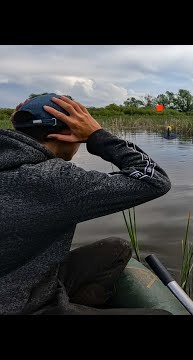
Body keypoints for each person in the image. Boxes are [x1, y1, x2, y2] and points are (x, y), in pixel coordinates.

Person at [0, 93, 172, 315]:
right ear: (67, 133)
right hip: (20, 306)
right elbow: (155, 180)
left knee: (115, 249)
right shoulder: (53, 180)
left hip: (22, 278)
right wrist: (97, 136)